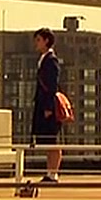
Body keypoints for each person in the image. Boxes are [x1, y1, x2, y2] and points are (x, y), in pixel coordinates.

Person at [31, 27, 63, 183]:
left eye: (39, 40)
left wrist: (49, 107)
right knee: (47, 140)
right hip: (43, 105)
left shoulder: (51, 60)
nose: (36, 43)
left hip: (48, 106)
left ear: (46, 41)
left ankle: (53, 173)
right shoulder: (44, 59)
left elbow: (52, 86)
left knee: (52, 140)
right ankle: (50, 172)